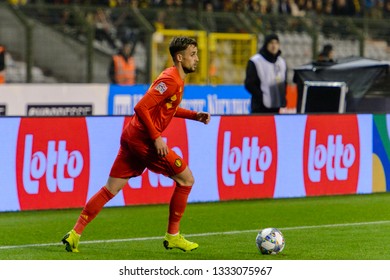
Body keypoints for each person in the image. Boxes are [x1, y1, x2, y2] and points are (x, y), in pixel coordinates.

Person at [62, 36, 211, 253]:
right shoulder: (171, 80)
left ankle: (75, 233)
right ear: (180, 58)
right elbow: (141, 107)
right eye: (193, 55)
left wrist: (194, 115)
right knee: (186, 179)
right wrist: (156, 138)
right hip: (143, 140)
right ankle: (173, 236)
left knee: (110, 189)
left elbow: (166, 109)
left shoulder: (175, 79)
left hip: (131, 137)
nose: (197, 59)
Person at [244, 33, 287, 114]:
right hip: (259, 106)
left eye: (276, 43)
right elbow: (249, 84)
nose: (274, 46)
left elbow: (284, 82)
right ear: (266, 44)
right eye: (271, 43)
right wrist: (262, 96)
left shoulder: (281, 62)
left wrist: (282, 98)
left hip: (276, 105)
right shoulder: (256, 61)